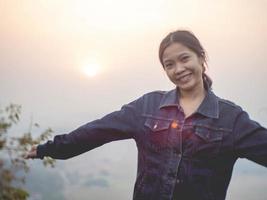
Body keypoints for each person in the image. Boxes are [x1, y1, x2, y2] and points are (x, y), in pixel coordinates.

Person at [25, 30, 267, 200]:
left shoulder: (231, 119)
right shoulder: (148, 107)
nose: (179, 69)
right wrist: (51, 148)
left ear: (201, 58)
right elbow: (98, 131)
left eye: (184, 58)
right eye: (169, 64)